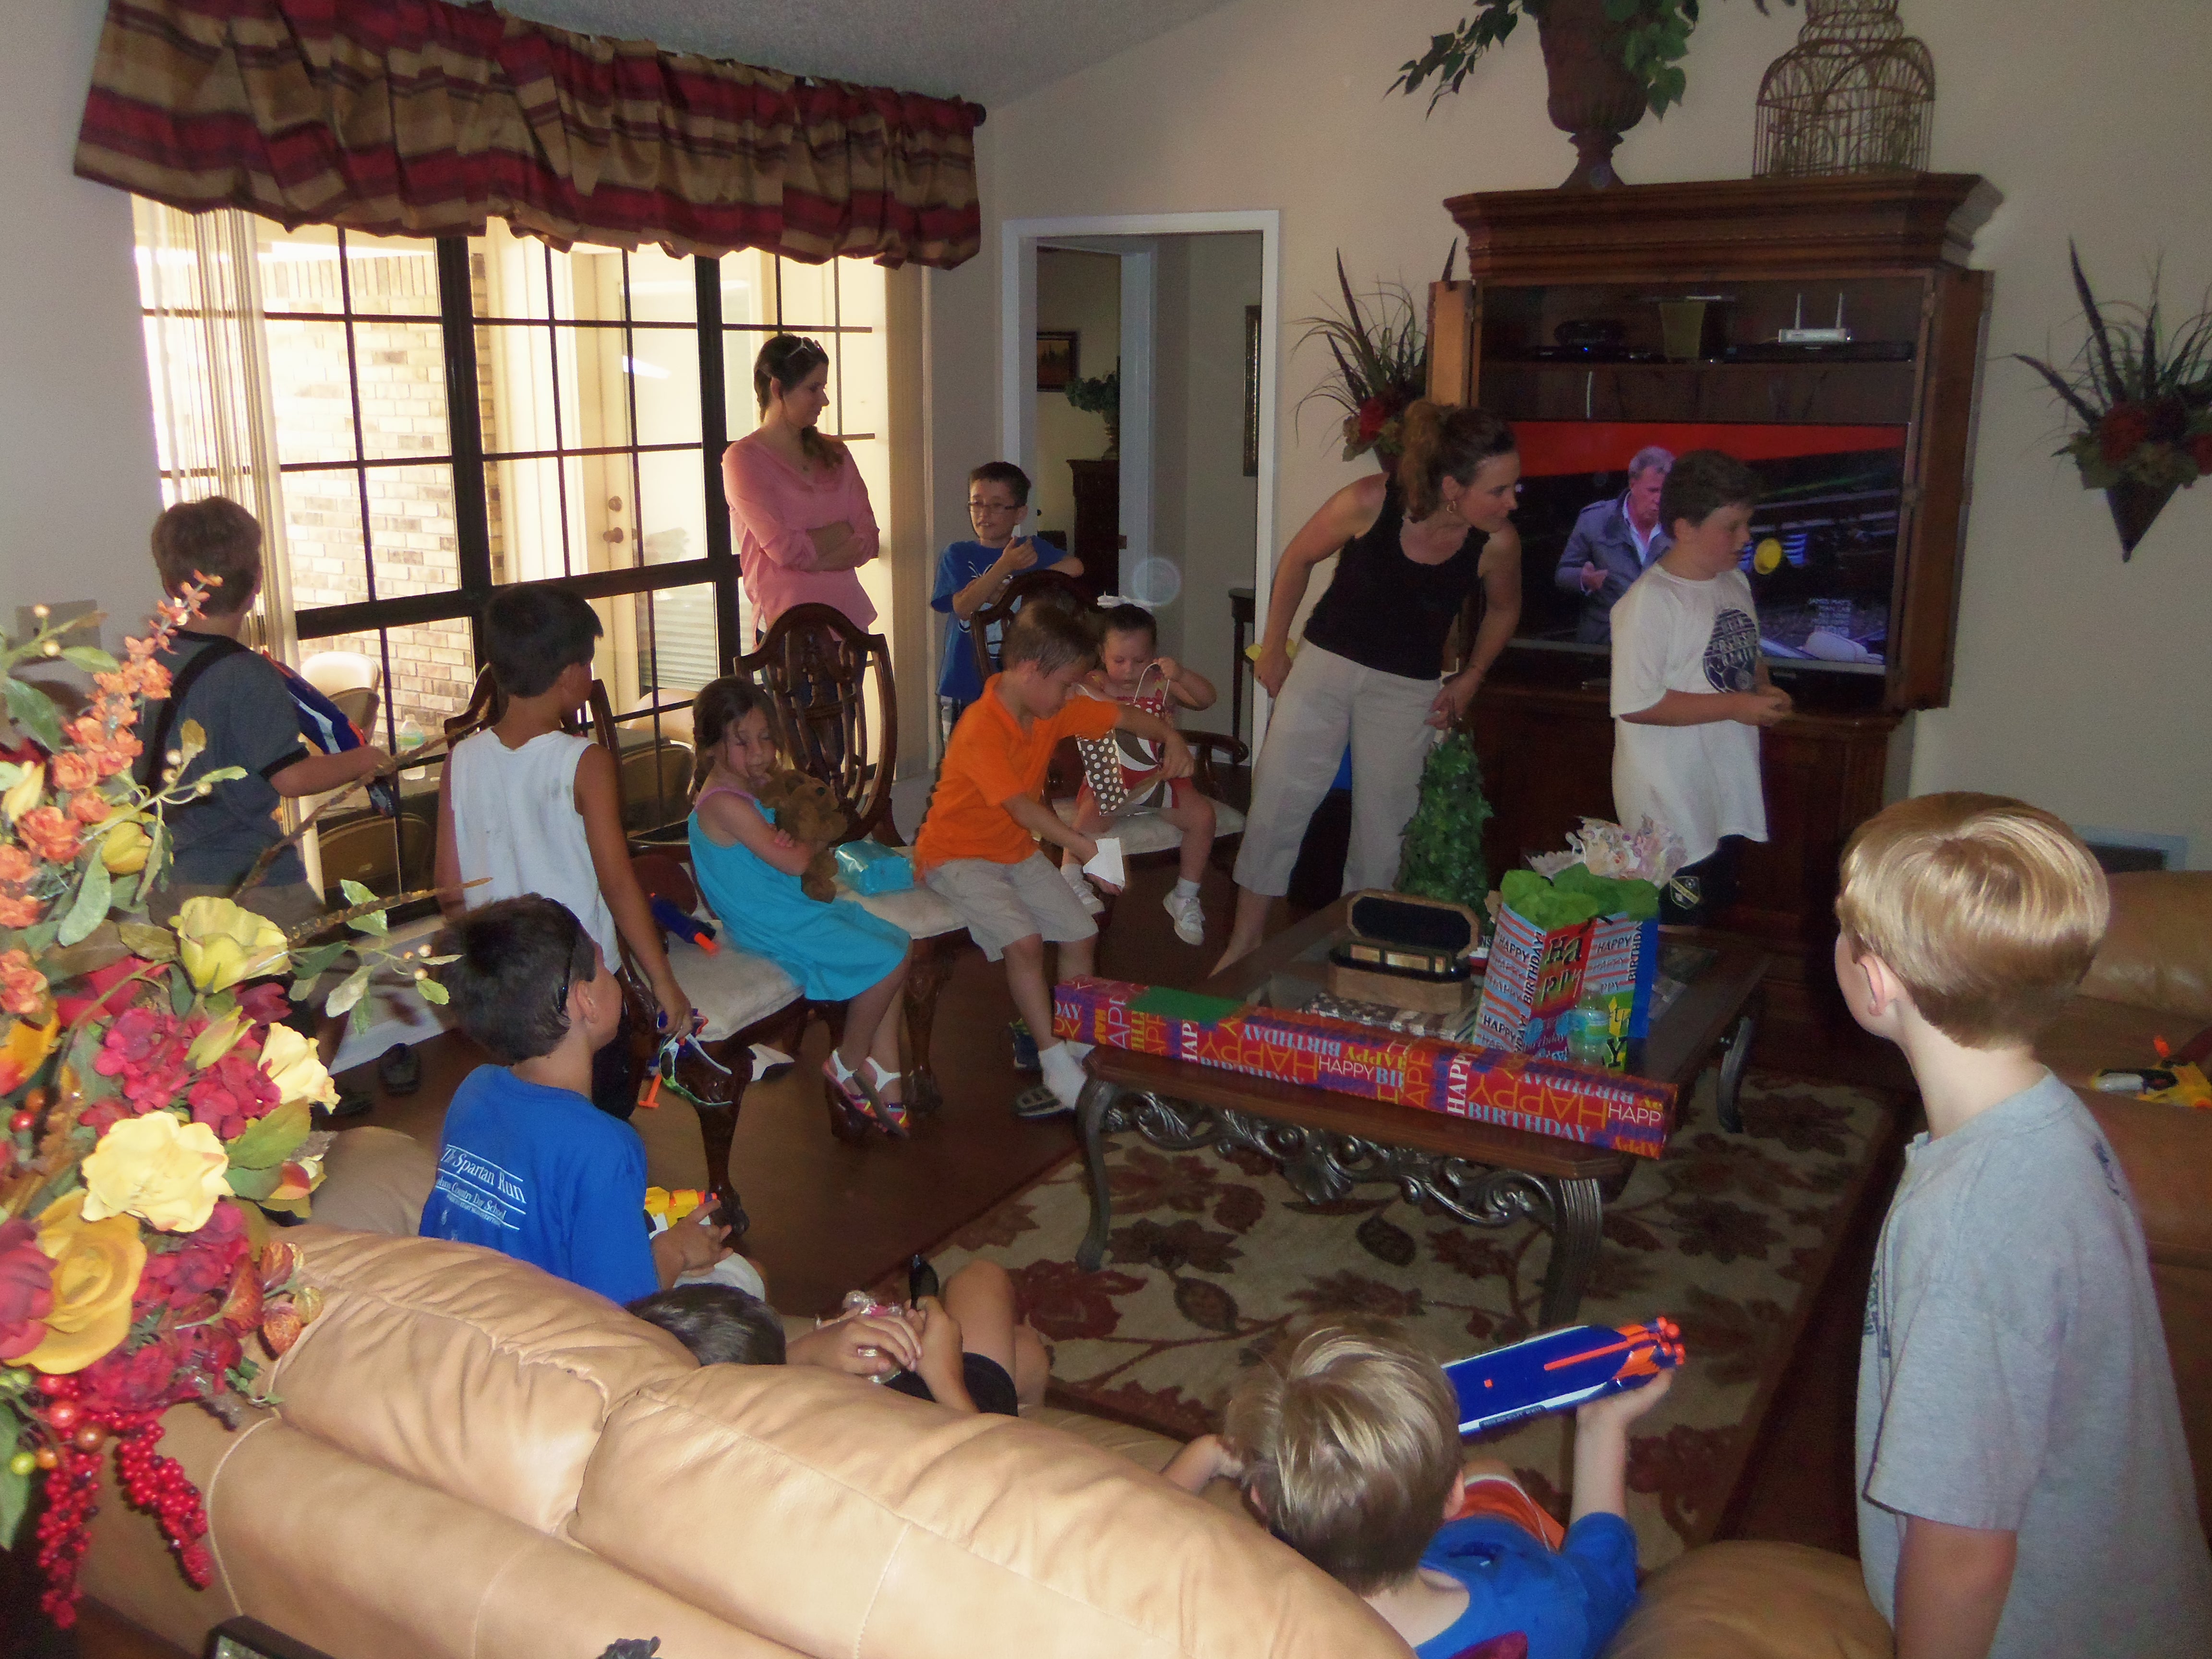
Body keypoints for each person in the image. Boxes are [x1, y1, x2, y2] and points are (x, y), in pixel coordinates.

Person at [1834, 794, 2212, 1659]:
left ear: (1877, 980)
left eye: (1843, 929)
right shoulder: (2051, 1119)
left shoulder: (1965, 1226)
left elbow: (1963, 1554)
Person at [1216, 403, 1524, 974]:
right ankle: (1244, 944)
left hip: (1407, 690)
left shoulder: (1496, 544)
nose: (1511, 503)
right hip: (1326, 668)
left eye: (1513, 488)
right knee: (1277, 806)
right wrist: (1275, 646)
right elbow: (1297, 559)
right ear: (1452, 489)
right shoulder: (1370, 501)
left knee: (1385, 834)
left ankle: (1357, 954)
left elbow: (1505, 610)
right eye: (1499, 490)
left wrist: (1471, 677)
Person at [1163, 1325, 1668, 1659]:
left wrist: (1208, 1453)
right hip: (1484, 1561)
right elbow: (1608, 1578)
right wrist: (1602, 1427)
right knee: (1493, 1472)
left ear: (1262, 1501)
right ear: (1452, 1497)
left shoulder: (1241, 1602)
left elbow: (1143, 1529)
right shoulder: (1540, 1602)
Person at [913, 605, 1191, 1119]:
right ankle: (1053, 1061)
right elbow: (1022, 807)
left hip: (1013, 851)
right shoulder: (981, 727)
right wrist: (1087, 849)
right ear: (1030, 671)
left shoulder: (1049, 707)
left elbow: (1121, 716)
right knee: (1024, 941)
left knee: (1081, 931)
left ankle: (1080, 1048)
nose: (1070, 697)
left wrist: (1171, 737)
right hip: (955, 856)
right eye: (1066, 685)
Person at [433, 586, 692, 1119]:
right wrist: (664, 983)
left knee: (532, 1115)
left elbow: (450, 892)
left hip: (509, 993)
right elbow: (618, 884)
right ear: (571, 675)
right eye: (589, 664)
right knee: (600, 1116)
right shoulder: (585, 762)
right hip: (584, 994)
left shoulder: (461, 760)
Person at [418, 896, 735, 1305]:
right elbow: (621, 1311)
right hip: (549, 1335)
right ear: (586, 1000)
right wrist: (676, 1250)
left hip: (468, 1310)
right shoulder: (605, 1146)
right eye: (603, 965)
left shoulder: (473, 1091)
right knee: (747, 1275)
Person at [143, 497, 389, 929]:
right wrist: (367, 759)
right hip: (250, 884)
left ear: (169, 584)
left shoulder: (152, 659)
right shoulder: (248, 674)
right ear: (257, 581)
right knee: (326, 971)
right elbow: (291, 777)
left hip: (168, 878)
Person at [686, 674, 914, 1134]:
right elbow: (795, 861)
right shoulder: (723, 803)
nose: (759, 752)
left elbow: (784, 849)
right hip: (772, 921)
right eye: (742, 742)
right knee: (887, 961)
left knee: (898, 942)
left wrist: (792, 833)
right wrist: (805, 840)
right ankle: (847, 1063)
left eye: (765, 738)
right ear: (711, 748)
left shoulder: (750, 788)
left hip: (788, 906)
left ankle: (886, 1070)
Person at [1608, 449, 1791, 923]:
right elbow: (1637, 703)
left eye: (1748, 524)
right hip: (1669, 808)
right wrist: (1736, 706)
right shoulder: (1650, 602)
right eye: (1732, 527)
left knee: (1716, 922)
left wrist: (1763, 689)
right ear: (1686, 528)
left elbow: (1748, 654)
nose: (1746, 538)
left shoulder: (1734, 582)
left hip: (1722, 793)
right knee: (1677, 933)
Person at [630, 1258, 1049, 1417]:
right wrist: (946, 1376)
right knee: (980, 1278)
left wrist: (803, 1353)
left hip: (924, 1394)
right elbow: (990, 1470)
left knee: (1027, 1353)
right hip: (956, 1412)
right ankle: (1024, 1417)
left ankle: (1024, 1398)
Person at [1059, 603, 1221, 947]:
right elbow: (1075, 697)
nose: (1129, 670)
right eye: (1119, 660)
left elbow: (1206, 699)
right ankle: (1070, 879)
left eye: (1139, 660)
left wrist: (1181, 675)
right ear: (1102, 654)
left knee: (1204, 817)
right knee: (1087, 819)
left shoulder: (1161, 682)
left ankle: (1185, 894)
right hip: (1109, 778)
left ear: (1154, 655)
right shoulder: (1096, 682)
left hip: (1160, 778)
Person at [721, 333, 880, 637]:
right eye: (813, 388)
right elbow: (785, 550)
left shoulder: (836, 453)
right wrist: (842, 531)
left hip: (848, 623)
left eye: (823, 388)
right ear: (777, 389)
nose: (824, 400)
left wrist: (805, 556)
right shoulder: (743, 459)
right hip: (786, 630)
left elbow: (869, 538)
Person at [932, 461, 1084, 734]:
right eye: (977, 504)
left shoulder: (1030, 549)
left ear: (1020, 513)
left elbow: (1075, 567)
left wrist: (1016, 585)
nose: (984, 513)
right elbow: (963, 607)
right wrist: (1004, 567)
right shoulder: (957, 554)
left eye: (997, 505)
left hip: (1019, 690)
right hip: (965, 685)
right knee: (963, 758)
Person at [1551, 445, 1674, 645]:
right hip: (1605, 640)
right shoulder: (1595, 520)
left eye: (1665, 491)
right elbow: (1563, 574)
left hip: (1660, 638)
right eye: (1653, 490)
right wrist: (1584, 579)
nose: (1659, 499)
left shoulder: (1680, 526)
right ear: (1633, 484)